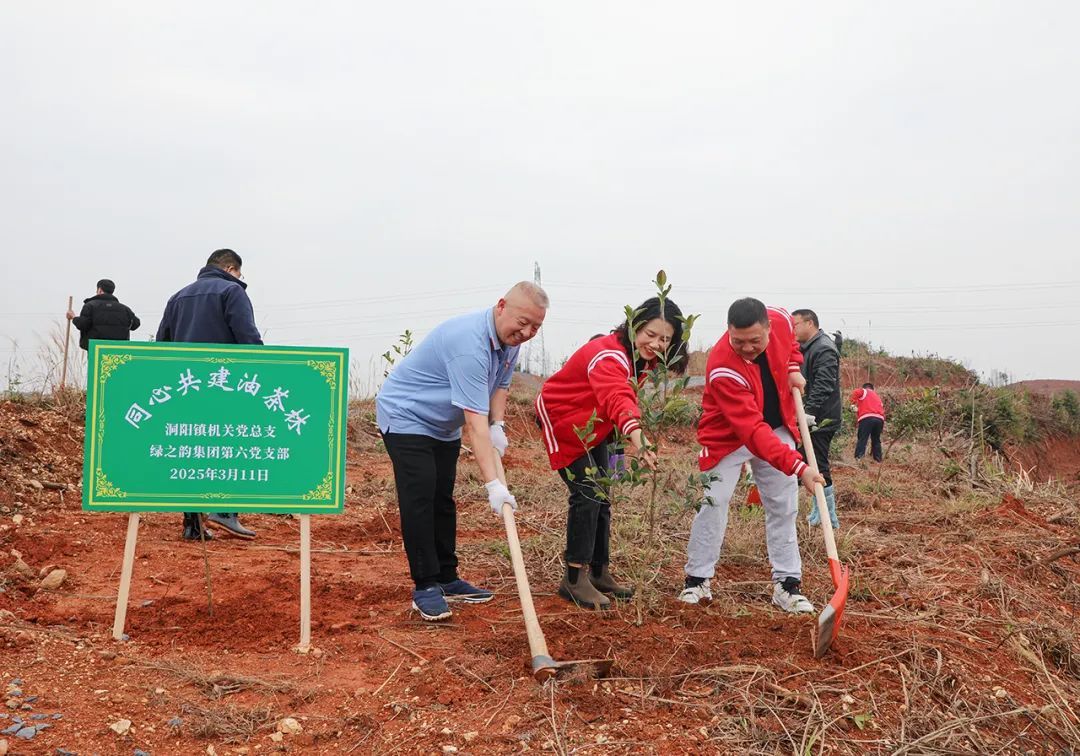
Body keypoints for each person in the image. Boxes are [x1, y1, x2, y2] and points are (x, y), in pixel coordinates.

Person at [376, 282, 548, 621]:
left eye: (536, 327)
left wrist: (499, 424)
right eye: (523, 322)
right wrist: (493, 486)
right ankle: (426, 585)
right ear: (501, 306)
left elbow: (500, 385)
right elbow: (474, 423)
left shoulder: (508, 341)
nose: (526, 332)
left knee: (442, 496)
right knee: (421, 495)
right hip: (407, 414)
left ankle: (447, 578)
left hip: (442, 423)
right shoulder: (469, 344)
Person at [536, 298, 686, 610]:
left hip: (596, 423)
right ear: (634, 326)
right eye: (650, 333)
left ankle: (599, 572)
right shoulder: (610, 356)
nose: (656, 343)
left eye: (665, 339)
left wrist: (617, 454)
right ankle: (574, 580)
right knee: (588, 494)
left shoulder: (641, 360)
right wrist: (641, 442)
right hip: (563, 416)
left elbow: (617, 402)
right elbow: (617, 398)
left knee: (603, 494)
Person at [679, 299, 824, 614]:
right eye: (738, 341)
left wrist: (792, 367)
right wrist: (800, 467)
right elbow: (754, 433)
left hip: (778, 424)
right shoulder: (721, 367)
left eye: (755, 341)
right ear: (728, 331)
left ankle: (788, 585)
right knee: (714, 501)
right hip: (729, 436)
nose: (746, 348)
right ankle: (697, 580)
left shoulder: (783, 321)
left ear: (769, 328)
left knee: (784, 505)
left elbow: (792, 347)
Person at [156, 249, 263, 541]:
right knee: (228, 444)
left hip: (185, 387)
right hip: (223, 386)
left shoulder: (177, 297)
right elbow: (248, 340)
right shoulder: (232, 291)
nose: (241, 280)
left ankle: (192, 526)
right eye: (240, 274)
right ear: (230, 268)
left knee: (193, 450)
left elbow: (161, 344)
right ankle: (225, 511)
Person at [791, 309, 842, 529]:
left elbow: (824, 383)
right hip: (810, 417)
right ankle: (820, 510)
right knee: (805, 461)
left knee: (817, 462)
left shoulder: (823, 349)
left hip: (821, 419)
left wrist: (809, 411)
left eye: (796, 324)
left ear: (809, 323)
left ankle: (826, 514)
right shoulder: (809, 348)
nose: (793, 329)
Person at [66, 279, 141, 350]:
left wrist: (74, 317)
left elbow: (83, 324)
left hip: (96, 350)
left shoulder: (90, 306)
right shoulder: (125, 309)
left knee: (96, 364)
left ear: (99, 290)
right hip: (119, 351)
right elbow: (135, 324)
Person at [852, 383, 885, 462]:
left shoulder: (864, 391)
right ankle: (878, 459)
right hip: (880, 419)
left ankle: (859, 458)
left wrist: (852, 405)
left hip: (867, 418)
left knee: (863, 438)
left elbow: (856, 392)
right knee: (876, 440)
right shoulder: (877, 397)